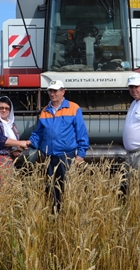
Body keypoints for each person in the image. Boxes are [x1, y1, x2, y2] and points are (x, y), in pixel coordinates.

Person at [28, 80, 89, 212]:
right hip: (49, 156)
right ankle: (54, 214)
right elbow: (39, 133)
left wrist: (81, 154)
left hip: (67, 156)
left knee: (67, 186)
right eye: (50, 91)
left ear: (63, 91)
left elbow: (81, 132)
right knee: (51, 188)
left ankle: (69, 213)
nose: (52, 93)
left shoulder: (73, 108)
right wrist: (29, 143)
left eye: (55, 91)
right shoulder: (45, 110)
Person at [0, 96, 30, 171]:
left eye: (7, 108)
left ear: (10, 110)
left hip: (7, 161)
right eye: (1, 108)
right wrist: (21, 143)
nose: (4, 110)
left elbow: (12, 142)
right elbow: (0, 140)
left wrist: (16, 150)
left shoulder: (12, 125)